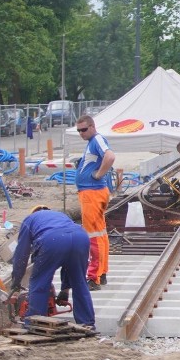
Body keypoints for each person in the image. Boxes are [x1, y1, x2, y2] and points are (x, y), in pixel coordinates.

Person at [10, 206, 95, 329]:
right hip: (80, 237)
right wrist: (64, 290)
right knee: (79, 282)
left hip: (53, 239)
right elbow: (68, 262)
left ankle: (35, 323)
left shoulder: (29, 220)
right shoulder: (61, 216)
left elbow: (21, 254)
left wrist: (16, 281)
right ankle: (87, 323)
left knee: (39, 283)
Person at [75, 115, 115, 290]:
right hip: (92, 192)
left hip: (92, 193)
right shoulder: (92, 142)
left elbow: (110, 156)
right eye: (79, 131)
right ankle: (102, 272)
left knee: (93, 236)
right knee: (100, 234)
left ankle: (94, 277)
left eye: (84, 130)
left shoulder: (97, 139)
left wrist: (99, 174)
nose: (81, 133)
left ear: (92, 127)